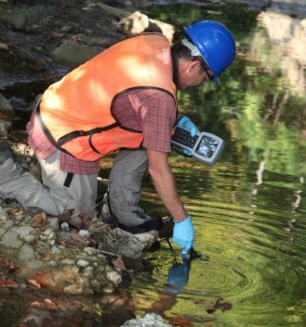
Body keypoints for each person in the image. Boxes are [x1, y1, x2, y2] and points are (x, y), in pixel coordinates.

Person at [0, 20, 236, 255]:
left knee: (155, 138)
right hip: (61, 137)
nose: (200, 84)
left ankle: (121, 209)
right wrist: (181, 218)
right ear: (195, 65)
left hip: (60, 105)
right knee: (77, 219)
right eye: (206, 77)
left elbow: (133, 97)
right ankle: (7, 175)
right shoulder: (160, 98)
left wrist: (169, 126)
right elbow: (158, 170)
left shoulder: (155, 42)